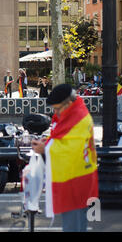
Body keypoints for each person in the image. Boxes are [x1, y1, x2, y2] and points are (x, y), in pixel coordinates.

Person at [31, 84, 98, 232]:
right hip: (79, 177)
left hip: (76, 180)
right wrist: (47, 143)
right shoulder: (74, 112)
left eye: (57, 108)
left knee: (73, 226)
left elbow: (69, 150)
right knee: (77, 224)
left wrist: (45, 148)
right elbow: (63, 138)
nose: (55, 113)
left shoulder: (78, 117)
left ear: (67, 103)